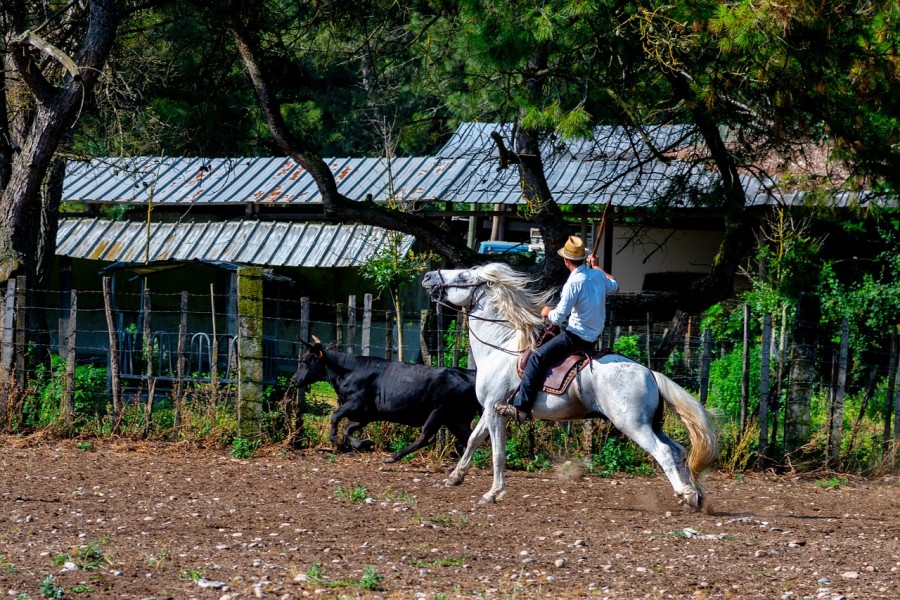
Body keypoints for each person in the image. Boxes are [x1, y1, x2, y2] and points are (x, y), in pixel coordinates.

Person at [494, 235, 618, 423]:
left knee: (536, 357)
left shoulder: (573, 283)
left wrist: (547, 311)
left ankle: (520, 407)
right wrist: (597, 266)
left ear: (566, 260)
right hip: (593, 336)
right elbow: (615, 286)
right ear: (583, 258)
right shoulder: (598, 275)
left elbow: (559, 317)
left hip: (576, 336)